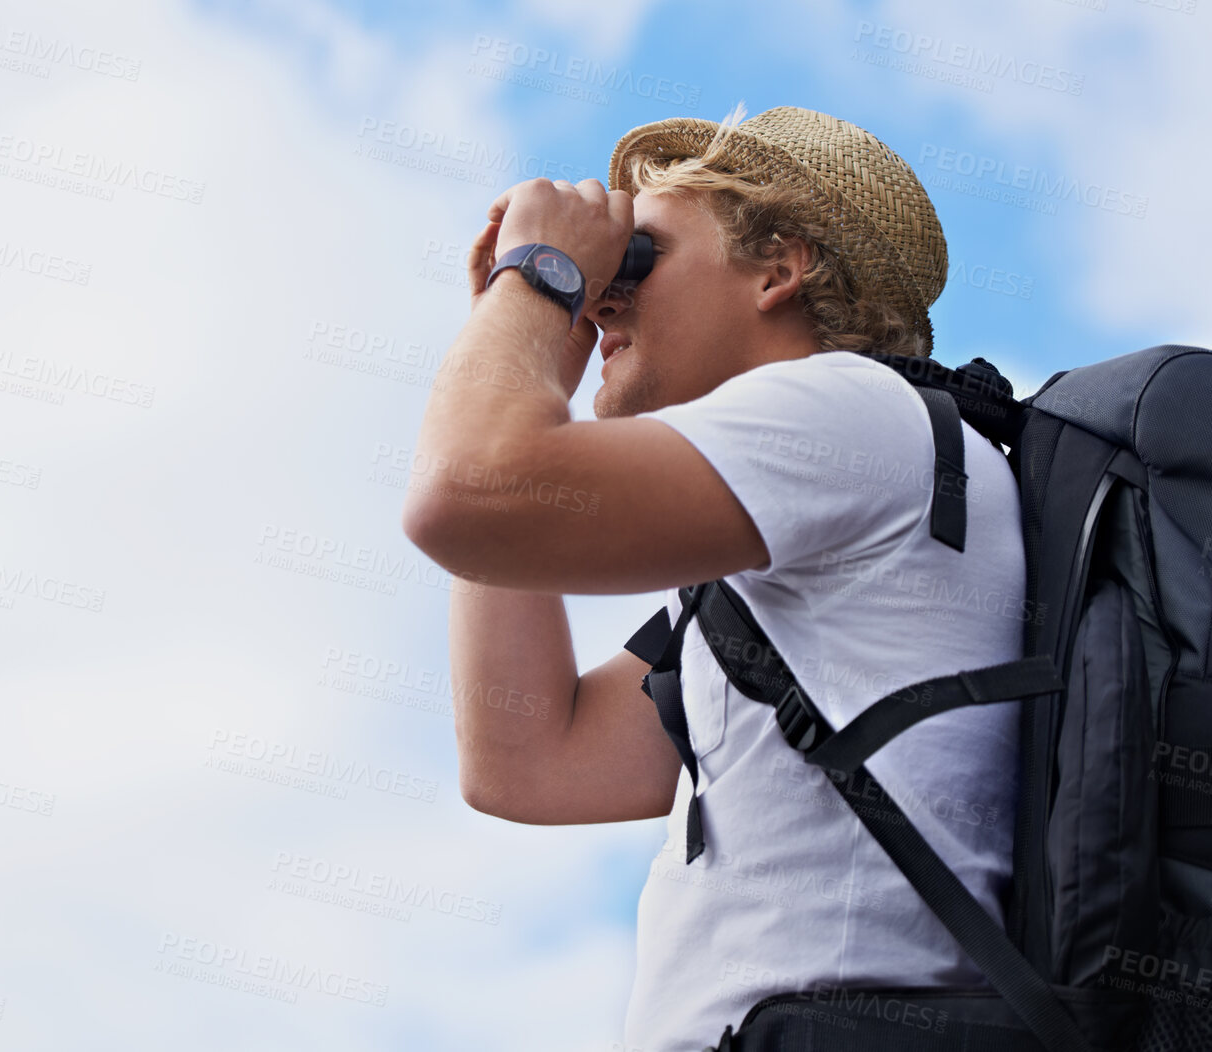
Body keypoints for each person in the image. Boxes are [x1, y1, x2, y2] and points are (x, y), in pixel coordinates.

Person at [400, 103, 1026, 1051]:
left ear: (779, 269)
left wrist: (538, 284)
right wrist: (530, 328)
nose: (606, 299)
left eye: (636, 261)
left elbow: (464, 498)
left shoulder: (845, 407)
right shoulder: (823, 507)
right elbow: (526, 762)